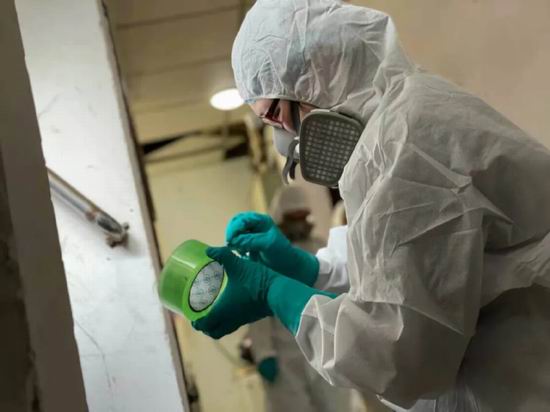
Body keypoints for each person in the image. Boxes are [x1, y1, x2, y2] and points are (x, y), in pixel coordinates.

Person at [193, 1, 550, 411]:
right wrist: (313, 270)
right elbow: (409, 264)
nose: (285, 142)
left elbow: (396, 357)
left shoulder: (401, 146)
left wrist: (272, 292)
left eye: (275, 114)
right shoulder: (403, 118)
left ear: (317, 72)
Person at [247, 185, 351, 412]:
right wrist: (264, 352)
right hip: (285, 355)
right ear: (280, 218)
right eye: (293, 218)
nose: (299, 223)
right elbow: (258, 310)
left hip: (324, 346)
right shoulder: (265, 257)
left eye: (302, 217)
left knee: (337, 406)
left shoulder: (320, 248)